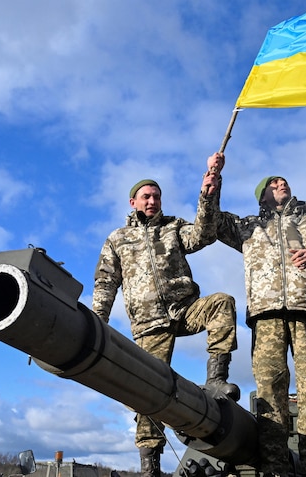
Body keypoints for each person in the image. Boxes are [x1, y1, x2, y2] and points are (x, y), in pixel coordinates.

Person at [92, 163, 240, 477]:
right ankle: (150, 466)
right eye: (145, 196)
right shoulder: (118, 239)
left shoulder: (173, 227)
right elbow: (106, 282)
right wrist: (98, 322)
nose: (152, 201)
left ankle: (216, 378)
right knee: (149, 391)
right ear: (133, 202)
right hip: (149, 323)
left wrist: (208, 194)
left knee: (221, 304)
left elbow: (204, 234)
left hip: (184, 308)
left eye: (156, 196)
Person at [212, 153, 306, 477]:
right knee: (269, 399)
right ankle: (276, 471)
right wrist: (212, 186)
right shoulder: (249, 227)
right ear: (263, 194)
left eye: (283, 181)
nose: (281, 184)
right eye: (274, 183)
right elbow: (212, 223)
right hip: (266, 317)